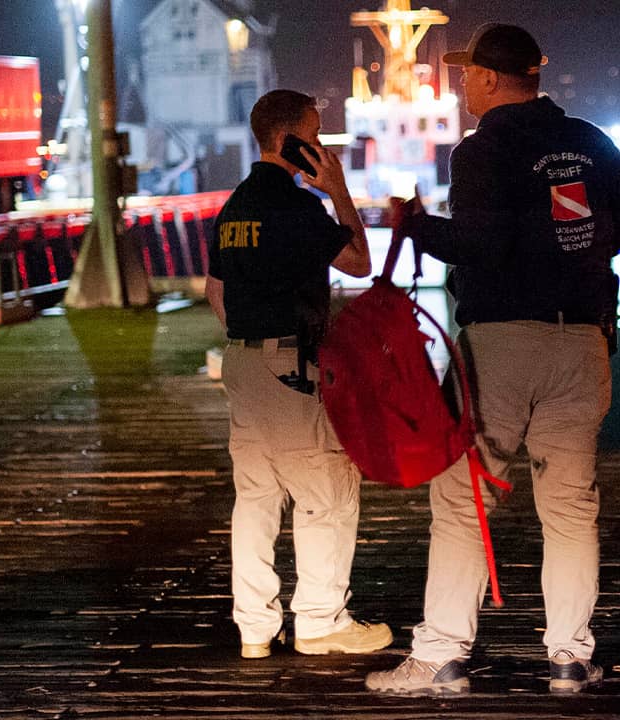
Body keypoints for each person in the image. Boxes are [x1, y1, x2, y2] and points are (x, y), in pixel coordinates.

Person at [364, 23, 620, 696]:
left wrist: (412, 222)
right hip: (582, 340)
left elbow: (480, 246)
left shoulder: (482, 150)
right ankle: (570, 660)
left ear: (493, 79)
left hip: (501, 343)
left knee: (465, 502)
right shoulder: (586, 139)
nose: (462, 83)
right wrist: (575, 250)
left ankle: (439, 656)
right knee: (571, 509)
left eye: (468, 73)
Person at [205, 89, 392, 660]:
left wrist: (249, 341)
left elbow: (217, 290)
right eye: (314, 136)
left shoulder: (234, 206)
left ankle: (255, 628)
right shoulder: (298, 207)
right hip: (290, 362)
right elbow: (361, 261)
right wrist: (337, 192)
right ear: (289, 139)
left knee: (256, 498)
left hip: (241, 357)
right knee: (325, 490)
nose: (321, 146)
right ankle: (319, 620)